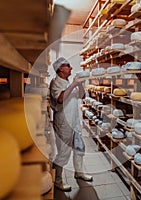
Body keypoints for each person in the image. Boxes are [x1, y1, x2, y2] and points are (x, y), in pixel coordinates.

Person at [49, 57, 93, 191]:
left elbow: (82, 96)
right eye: (68, 66)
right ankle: (57, 180)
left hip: (75, 121)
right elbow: (61, 99)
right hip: (63, 123)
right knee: (63, 152)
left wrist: (79, 84)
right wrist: (73, 84)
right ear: (60, 69)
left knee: (79, 148)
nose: (71, 68)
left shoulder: (68, 82)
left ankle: (79, 172)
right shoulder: (56, 82)